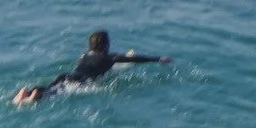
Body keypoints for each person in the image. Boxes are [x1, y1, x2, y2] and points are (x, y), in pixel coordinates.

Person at [14, 31, 169, 106]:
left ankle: (29, 92)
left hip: (66, 75)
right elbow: (133, 59)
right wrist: (158, 59)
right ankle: (34, 96)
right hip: (80, 81)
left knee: (52, 88)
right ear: (106, 46)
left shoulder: (84, 55)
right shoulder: (109, 58)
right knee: (56, 94)